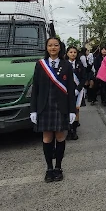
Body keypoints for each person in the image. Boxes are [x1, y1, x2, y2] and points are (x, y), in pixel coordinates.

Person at [30, 37, 76, 182]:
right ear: (46, 48)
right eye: (50, 45)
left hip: (61, 107)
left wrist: (72, 110)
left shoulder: (67, 65)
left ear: (60, 47)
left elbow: (70, 88)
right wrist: (33, 110)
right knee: (47, 137)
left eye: (56, 45)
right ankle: (49, 168)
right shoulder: (40, 65)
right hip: (45, 106)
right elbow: (35, 89)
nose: (53, 48)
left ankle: (58, 167)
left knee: (60, 137)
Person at [66, 45, 86, 140]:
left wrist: (78, 89)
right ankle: (69, 131)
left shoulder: (79, 64)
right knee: (67, 111)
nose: (73, 54)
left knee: (76, 111)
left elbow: (83, 78)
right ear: (67, 53)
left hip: (77, 90)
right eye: (71, 52)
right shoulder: (64, 64)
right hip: (66, 91)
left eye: (74, 52)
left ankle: (74, 131)